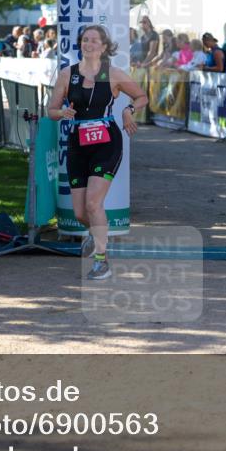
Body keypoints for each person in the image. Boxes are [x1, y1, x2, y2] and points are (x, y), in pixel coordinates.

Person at [46, 25, 149, 280]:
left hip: (106, 143)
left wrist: (128, 110)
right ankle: (96, 234)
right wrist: (62, 112)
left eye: (94, 40)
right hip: (77, 144)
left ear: (104, 47)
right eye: (85, 40)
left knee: (93, 203)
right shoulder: (67, 75)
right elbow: (51, 110)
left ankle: (102, 262)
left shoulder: (113, 74)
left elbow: (141, 97)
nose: (88, 44)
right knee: (81, 213)